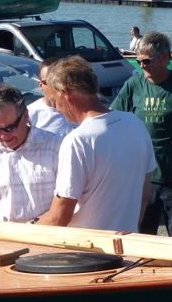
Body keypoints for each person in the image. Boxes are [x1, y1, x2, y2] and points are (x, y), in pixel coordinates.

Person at [38, 56, 156, 231]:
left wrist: (25, 228)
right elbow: (145, 195)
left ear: (66, 93)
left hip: (88, 251)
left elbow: (58, 218)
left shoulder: (78, 141)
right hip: (126, 245)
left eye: (56, 101)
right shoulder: (134, 123)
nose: (57, 109)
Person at [112, 31, 172, 238]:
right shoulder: (134, 85)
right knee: (143, 235)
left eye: (146, 61)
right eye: (138, 61)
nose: (141, 66)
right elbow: (115, 120)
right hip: (142, 177)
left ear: (164, 57)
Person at [0, 84, 62, 222]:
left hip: (45, 236)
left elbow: (68, 204)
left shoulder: (56, 147)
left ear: (26, 116)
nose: (3, 136)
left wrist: (31, 229)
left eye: (10, 128)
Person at [28, 59, 78, 137]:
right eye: (49, 81)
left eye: (58, 81)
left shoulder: (79, 109)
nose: (55, 86)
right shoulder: (30, 115)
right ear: (41, 85)